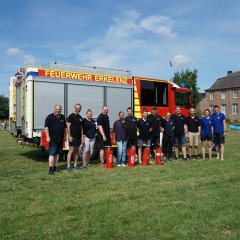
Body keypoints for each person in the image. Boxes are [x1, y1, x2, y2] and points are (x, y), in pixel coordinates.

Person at [44, 104, 67, 175]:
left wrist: (66, 135)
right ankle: (50, 169)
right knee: (52, 153)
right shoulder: (50, 117)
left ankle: (55, 167)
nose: (58, 110)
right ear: (54, 109)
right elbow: (46, 127)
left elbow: (65, 127)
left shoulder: (63, 117)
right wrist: (47, 136)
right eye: (56, 109)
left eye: (59, 109)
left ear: (61, 110)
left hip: (60, 139)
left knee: (57, 154)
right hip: (53, 139)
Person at [66, 103, 83, 172]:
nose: (77, 109)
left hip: (78, 138)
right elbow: (68, 126)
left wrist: (82, 136)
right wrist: (69, 136)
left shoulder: (80, 117)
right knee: (71, 151)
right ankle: (68, 166)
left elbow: (81, 128)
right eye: (76, 108)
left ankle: (75, 165)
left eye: (79, 108)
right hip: (72, 137)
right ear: (74, 108)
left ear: (80, 109)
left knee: (76, 152)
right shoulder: (71, 116)